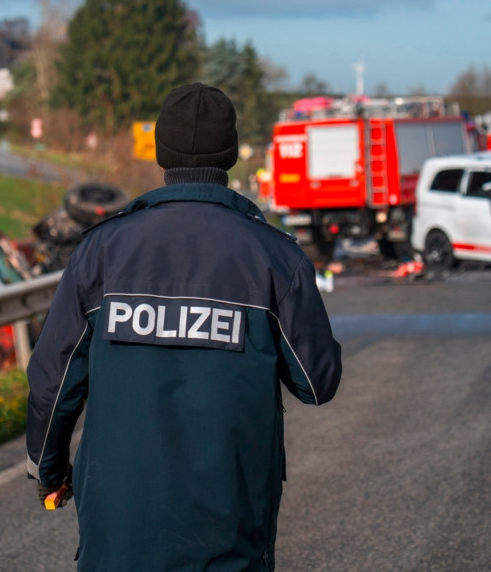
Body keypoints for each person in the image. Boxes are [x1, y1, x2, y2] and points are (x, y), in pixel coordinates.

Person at [26, 83, 342, 571]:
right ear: (232, 154)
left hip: (117, 533)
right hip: (229, 532)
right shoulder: (275, 256)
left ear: (161, 151)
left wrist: (49, 472)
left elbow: (53, 378)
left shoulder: (101, 251)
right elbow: (317, 383)